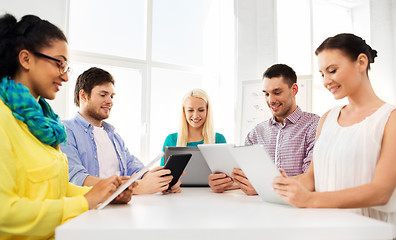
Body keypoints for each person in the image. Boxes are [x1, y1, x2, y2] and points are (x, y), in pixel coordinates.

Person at [0, 14, 132, 240]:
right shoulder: (4, 120)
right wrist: (86, 201)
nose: (65, 75)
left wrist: (104, 194)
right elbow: (5, 214)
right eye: (59, 63)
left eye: (67, 66)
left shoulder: (45, 125)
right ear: (26, 59)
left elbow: (57, 189)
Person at [272, 33, 396, 231]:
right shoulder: (328, 118)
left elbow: (381, 192)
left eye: (332, 70)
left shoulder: (390, 119)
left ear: (361, 62)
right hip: (325, 228)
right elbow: (311, 178)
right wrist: (278, 184)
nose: (326, 81)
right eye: (322, 74)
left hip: (371, 231)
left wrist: (311, 200)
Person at [60, 67, 180, 194]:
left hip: (123, 206)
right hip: (93, 209)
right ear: (83, 96)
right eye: (103, 95)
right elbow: (75, 178)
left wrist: (158, 180)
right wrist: (135, 187)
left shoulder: (113, 136)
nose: (110, 101)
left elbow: (134, 166)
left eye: (112, 96)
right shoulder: (65, 131)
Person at [209, 64, 320, 195]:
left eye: (277, 92)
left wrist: (264, 186)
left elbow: (312, 179)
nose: (271, 100)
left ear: (294, 90)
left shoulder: (314, 125)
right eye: (266, 94)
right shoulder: (256, 133)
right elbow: (246, 176)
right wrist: (224, 183)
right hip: (259, 210)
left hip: (297, 209)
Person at [161, 89, 227, 166]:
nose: (195, 116)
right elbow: (163, 175)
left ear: (207, 111)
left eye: (201, 110)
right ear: (184, 111)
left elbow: (225, 173)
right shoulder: (171, 139)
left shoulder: (219, 139)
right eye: (190, 110)